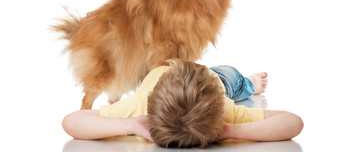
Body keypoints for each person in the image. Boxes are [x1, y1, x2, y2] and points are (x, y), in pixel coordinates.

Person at [62, 60, 303, 148]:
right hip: (213, 82)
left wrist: (129, 126)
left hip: (212, 78)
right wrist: (233, 130)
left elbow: (72, 121)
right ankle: (247, 84)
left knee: (232, 79)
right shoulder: (224, 112)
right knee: (229, 80)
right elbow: (292, 122)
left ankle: (249, 83)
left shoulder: (137, 108)